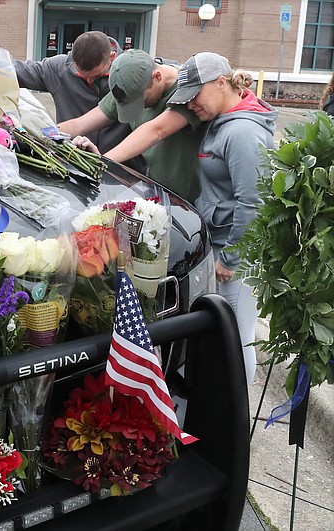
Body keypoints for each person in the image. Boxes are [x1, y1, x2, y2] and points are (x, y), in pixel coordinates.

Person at [170, 52, 278, 384]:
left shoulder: (243, 132)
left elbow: (253, 202)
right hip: (217, 245)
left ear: (221, 83)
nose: (190, 106)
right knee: (222, 337)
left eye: (194, 97)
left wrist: (231, 259)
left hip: (238, 256)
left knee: (237, 339)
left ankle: (235, 426)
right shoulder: (222, 120)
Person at [60, 49, 205, 201]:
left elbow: (156, 130)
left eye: (140, 101)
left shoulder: (187, 93)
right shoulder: (129, 84)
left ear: (157, 77)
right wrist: (42, 132)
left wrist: (100, 162)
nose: (139, 108)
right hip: (152, 192)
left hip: (186, 203)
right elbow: (80, 124)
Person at [14, 31, 137, 161]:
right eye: (83, 75)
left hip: (125, 169)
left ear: (112, 57)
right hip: (72, 164)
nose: (89, 81)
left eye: (95, 76)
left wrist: (105, 161)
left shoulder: (132, 73)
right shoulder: (58, 69)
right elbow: (15, 71)